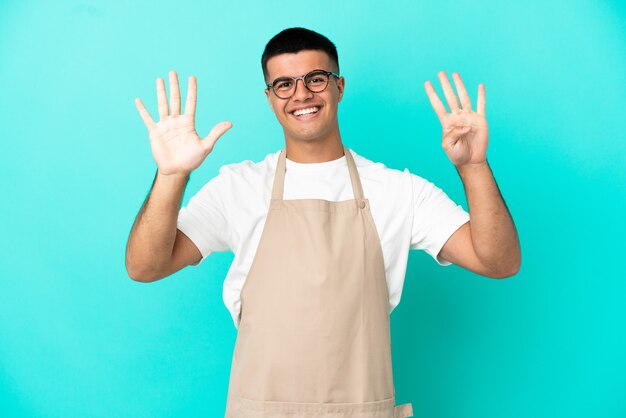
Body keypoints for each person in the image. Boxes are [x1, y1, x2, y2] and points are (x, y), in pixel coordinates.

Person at [126, 27, 520, 418]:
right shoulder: (238, 187)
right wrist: (172, 176)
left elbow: (498, 261)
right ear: (269, 97)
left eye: (315, 79)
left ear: (339, 86)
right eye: (284, 84)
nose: (301, 94)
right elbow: (145, 266)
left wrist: (473, 167)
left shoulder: (398, 191)